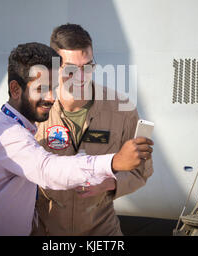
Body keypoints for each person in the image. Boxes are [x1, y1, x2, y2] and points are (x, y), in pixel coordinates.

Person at [0, 42, 153, 236]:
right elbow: (47, 170)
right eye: (40, 89)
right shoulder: (8, 135)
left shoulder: (24, 127)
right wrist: (114, 162)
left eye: (53, 87)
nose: (51, 97)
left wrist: (112, 183)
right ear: (15, 89)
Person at [31, 24, 154, 236]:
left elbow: (141, 170)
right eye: (70, 69)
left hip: (101, 231)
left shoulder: (121, 110)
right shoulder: (35, 110)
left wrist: (112, 183)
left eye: (87, 67)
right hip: (46, 230)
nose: (80, 77)